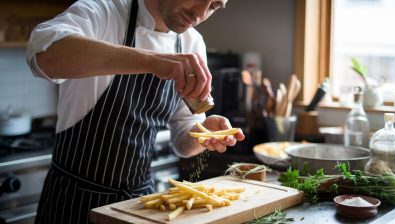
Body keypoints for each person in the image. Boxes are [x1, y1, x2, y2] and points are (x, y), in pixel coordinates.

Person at [26, 0, 244, 223]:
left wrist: (204, 133)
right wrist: (151, 60)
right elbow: (43, 53)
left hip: (138, 204)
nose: (200, 12)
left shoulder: (192, 43)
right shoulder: (103, 12)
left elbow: (183, 143)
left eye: (214, 6)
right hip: (72, 202)